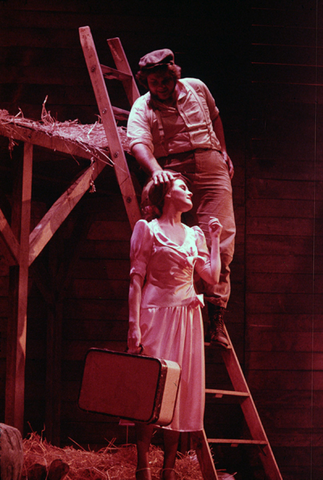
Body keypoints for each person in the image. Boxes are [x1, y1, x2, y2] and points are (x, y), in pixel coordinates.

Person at [127, 48, 236, 348]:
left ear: (174, 75)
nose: (160, 86)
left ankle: (216, 320)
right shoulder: (142, 107)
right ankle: (167, 305)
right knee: (165, 232)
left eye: (165, 80)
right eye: (153, 82)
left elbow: (215, 118)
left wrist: (222, 150)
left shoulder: (197, 87)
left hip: (209, 161)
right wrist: (156, 171)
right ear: (146, 81)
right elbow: (138, 143)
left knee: (222, 235)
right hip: (171, 165)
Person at [127, 172, 222, 480]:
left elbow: (211, 277)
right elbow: (135, 279)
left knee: (179, 393)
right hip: (155, 314)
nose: (189, 192)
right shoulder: (147, 229)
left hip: (187, 318)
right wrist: (133, 326)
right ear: (167, 195)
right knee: (151, 390)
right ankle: (142, 464)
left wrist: (216, 239)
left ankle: (169, 468)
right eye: (183, 187)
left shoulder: (194, 234)